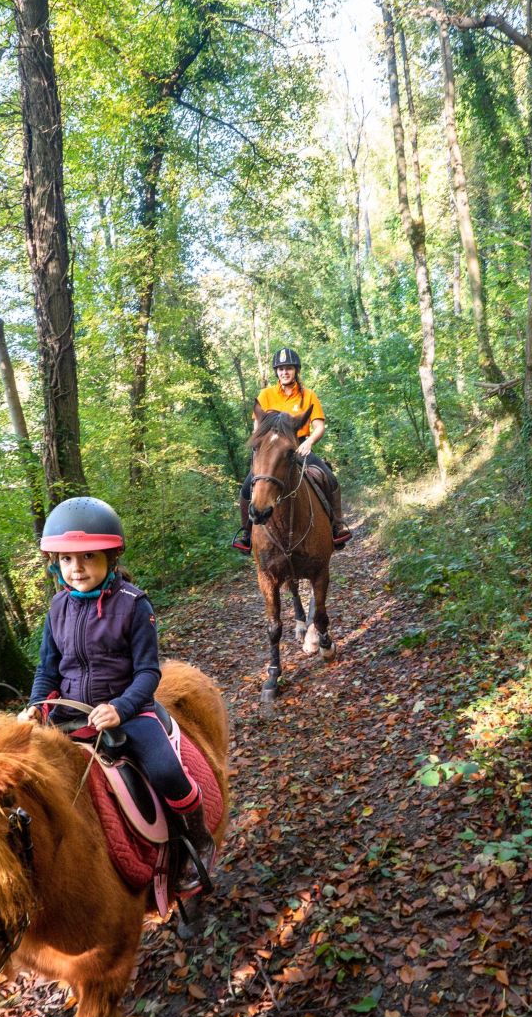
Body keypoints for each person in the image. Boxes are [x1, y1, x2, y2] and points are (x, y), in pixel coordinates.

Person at [18, 496, 215, 895]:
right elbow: (48, 669)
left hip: (130, 711)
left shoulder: (134, 605)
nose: (77, 568)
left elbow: (148, 672)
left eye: (88, 557)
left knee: (166, 772)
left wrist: (120, 708)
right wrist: (37, 706)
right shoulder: (57, 608)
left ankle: (196, 842)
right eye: (67, 560)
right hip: (68, 713)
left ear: (110, 557)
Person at [231, 347, 352, 554]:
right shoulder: (266, 395)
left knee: (329, 477)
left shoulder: (308, 396)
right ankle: (246, 534)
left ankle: (336, 527)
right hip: (271, 450)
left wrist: (309, 442)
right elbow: (258, 428)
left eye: (288, 368)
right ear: (276, 372)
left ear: (296, 370)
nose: (284, 372)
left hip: (299, 446)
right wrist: (262, 448)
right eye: (280, 369)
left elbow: (319, 426)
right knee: (246, 486)